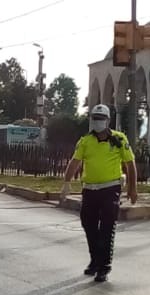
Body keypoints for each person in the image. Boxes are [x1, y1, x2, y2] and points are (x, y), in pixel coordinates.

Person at [59, 104, 138, 282]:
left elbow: (130, 164)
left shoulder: (119, 139)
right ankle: (94, 261)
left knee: (107, 227)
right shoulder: (85, 141)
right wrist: (66, 183)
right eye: (94, 118)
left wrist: (133, 189)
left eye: (101, 119)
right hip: (90, 190)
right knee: (89, 225)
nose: (97, 122)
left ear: (108, 121)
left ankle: (104, 266)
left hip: (110, 189)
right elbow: (74, 161)